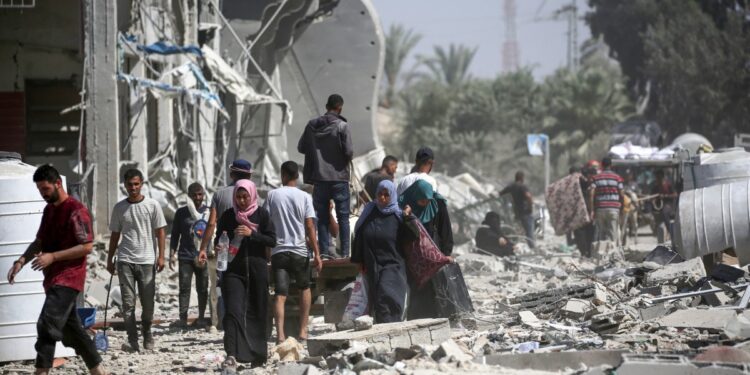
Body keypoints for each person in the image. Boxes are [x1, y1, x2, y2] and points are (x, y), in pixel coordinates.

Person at [6, 165, 107, 375]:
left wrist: (53, 257)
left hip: (69, 278)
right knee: (73, 331)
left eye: (45, 189)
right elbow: (40, 240)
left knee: (47, 323)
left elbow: (87, 246)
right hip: (53, 279)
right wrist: (21, 261)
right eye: (40, 190)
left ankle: (41, 371)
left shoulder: (76, 211)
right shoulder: (49, 210)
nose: (43, 194)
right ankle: (98, 370)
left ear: (57, 184)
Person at [204, 180, 276, 369]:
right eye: (239, 196)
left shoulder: (262, 215)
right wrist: (219, 245)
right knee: (233, 312)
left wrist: (252, 233)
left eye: (245, 197)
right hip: (233, 272)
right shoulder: (228, 215)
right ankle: (232, 354)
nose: (242, 201)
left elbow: (272, 240)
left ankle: (258, 354)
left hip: (257, 270)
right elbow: (219, 238)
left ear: (252, 195)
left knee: (257, 311)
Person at [106, 169, 166, 352]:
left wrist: (161, 256)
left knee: (148, 303)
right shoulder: (119, 208)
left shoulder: (152, 205)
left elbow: (160, 231)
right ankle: (132, 339)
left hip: (147, 260)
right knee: (128, 303)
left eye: (136, 184)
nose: (133, 188)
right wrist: (109, 259)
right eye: (130, 184)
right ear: (125, 185)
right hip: (125, 260)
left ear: (142, 184)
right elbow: (115, 235)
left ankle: (147, 332)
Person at [264, 161, 323, 343]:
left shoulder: (272, 195)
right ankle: (303, 332)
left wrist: (268, 252)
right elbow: (310, 226)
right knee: (305, 289)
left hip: (279, 251)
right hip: (299, 251)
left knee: (280, 295)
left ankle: (280, 335)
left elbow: (266, 225)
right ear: (297, 176)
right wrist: (318, 254)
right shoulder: (305, 197)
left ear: (283, 175)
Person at [197, 159, 253, 332]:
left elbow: (211, 224)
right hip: (247, 248)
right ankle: (244, 322)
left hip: (224, 249)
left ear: (231, 174)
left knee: (223, 284)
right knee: (246, 284)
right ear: (249, 175)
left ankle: (223, 322)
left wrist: (203, 248)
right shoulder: (252, 194)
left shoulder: (220, 195)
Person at [351, 180, 418, 323]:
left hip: (393, 266)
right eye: (380, 194)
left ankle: (391, 332)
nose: (382, 198)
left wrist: (408, 217)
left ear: (392, 196)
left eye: (386, 195)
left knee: (387, 298)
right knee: (377, 302)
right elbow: (360, 235)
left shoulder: (398, 216)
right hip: (372, 265)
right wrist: (358, 260)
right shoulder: (369, 212)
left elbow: (414, 235)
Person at [297, 94, 354, 258]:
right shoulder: (343, 126)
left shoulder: (311, 126)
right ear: (340, 108)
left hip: (320, 179)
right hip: (339, 179)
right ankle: (344, 254)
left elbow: (301, 147)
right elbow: (349, 152)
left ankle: (323, 253)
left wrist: (316, 148)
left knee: (321, 218)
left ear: (326, 106)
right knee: (343, 217)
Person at [398, 179, 455, 319]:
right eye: (421, 201)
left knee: (435, 289)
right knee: (417, 289)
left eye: (427, 200)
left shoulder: (438, 204)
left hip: (434, 257)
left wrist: (445, 254)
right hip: (414, 259)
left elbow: (445, 230)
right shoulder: (404, 205)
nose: (425, 204)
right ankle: (416, 319)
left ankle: (435, 318)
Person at [169, 182, 210, 328]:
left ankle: (201, 317)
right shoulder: (181, 213)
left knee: (203, 288)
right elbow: (175, 235)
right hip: (185, 255)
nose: (197, 198)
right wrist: (171, 254)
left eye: (200, 194)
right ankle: (183, 318)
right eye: (194, 195)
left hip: (203, 256)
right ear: (189, 196)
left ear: (204, 195)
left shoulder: (209, 212)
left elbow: (214, 232)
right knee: (184, 287)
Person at [589, 157, 624, 245]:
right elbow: (622, 194)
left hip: (600, 208)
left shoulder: (596, 178)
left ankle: (601, 255)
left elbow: (591, 194)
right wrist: (621, 207)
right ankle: (613, 255)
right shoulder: (617, 178)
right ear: (611, 165)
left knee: (601, 234)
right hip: (614, 209)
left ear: (602, 165)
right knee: (613, 233)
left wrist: (592, 210)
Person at [499, 171, 535, 248]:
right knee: (529, 232)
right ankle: (532, 247)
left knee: (517, 231)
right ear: (522, 178)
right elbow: (528, 196)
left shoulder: (511, 187)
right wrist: (530, 207)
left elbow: (500, 193)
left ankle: (514, 246)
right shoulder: (522, 186)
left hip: (516, 212)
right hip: (525, 211)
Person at [574, 166, 596, 257]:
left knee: (580, 232)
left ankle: (583, 252)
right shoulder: (589, 184)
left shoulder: (576, 183)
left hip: (579, 211)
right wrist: (592, 211)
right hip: (586, 210)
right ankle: (588, 252)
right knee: (589, 232)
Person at [650, 169, 677, 243]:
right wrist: (653, 200)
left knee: (665, 212)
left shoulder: (668, 185)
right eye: (656, 177)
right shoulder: (656, 186)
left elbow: (675, 195)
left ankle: (670, 232)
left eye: (659, 177)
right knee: (653, 214)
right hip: (659, 206)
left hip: (668, 205)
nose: (657, 179)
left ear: (662, 177)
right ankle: (656, 230)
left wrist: (665, 196)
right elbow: (652, 196)